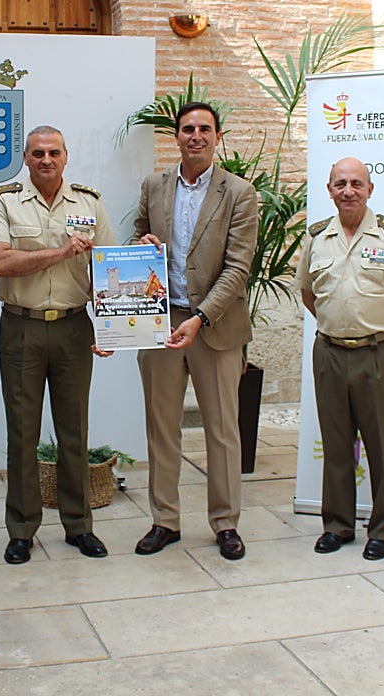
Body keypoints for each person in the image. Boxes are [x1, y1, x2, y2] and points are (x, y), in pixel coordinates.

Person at [0, 125, 115, 565]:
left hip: (74, 328)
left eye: (53, 152)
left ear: (66, 155)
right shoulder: (4, 201)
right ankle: (21, 529)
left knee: (74, 430)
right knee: (23, 433)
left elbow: (109, 267)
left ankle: (78, 526)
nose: (45, 159)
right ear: (25, 158)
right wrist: (60, 252)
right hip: (22, 327)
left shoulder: (89, 202)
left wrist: (116, 325)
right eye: (37, 153)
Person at [132, 101, 258, 561]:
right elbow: (136, 238)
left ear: (217, 136)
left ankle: (225, 523)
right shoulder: (154, 185)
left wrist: (200, 317)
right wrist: (139, 244)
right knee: (161, 427)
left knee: (223, 429)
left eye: (205, 129)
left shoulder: (239, 193)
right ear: (177, 136)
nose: (196, 136)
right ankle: (165, 520)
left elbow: (238, 268)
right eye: (188, 129)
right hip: (160, 322)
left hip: (216, 326)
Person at [296, 157, 384, 561]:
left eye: (356, 183)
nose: (348, 190)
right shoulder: (316, 238)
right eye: (340, 184)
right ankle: (337, 526)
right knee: (336, 445)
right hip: (331, 353)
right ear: (329, 190)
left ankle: (382, 530)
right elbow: (307, 293)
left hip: (380, 355)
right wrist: (340, 326)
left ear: (370, 189)